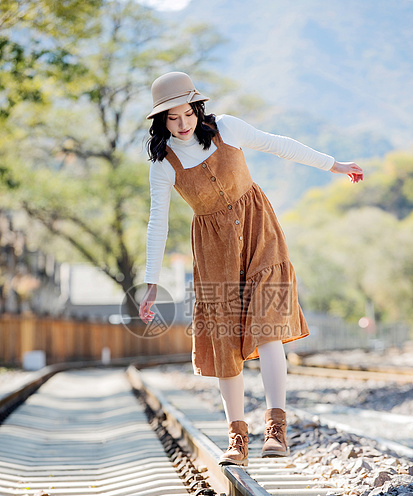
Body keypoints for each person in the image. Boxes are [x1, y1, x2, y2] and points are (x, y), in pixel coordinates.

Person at [139, 71, 363, 467]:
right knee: (226, 340)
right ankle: (236, 438)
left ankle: (277, 427)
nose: (184, 123)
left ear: (197, 108)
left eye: (188, 113)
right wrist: (151, 283)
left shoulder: (227, 128)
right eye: (173, 118)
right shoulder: (164, 164)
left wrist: (334, 165)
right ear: (161, 121)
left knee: (268, 326)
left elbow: (280, 145)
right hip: (214, 253)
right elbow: (157, 221)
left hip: (261, 233)